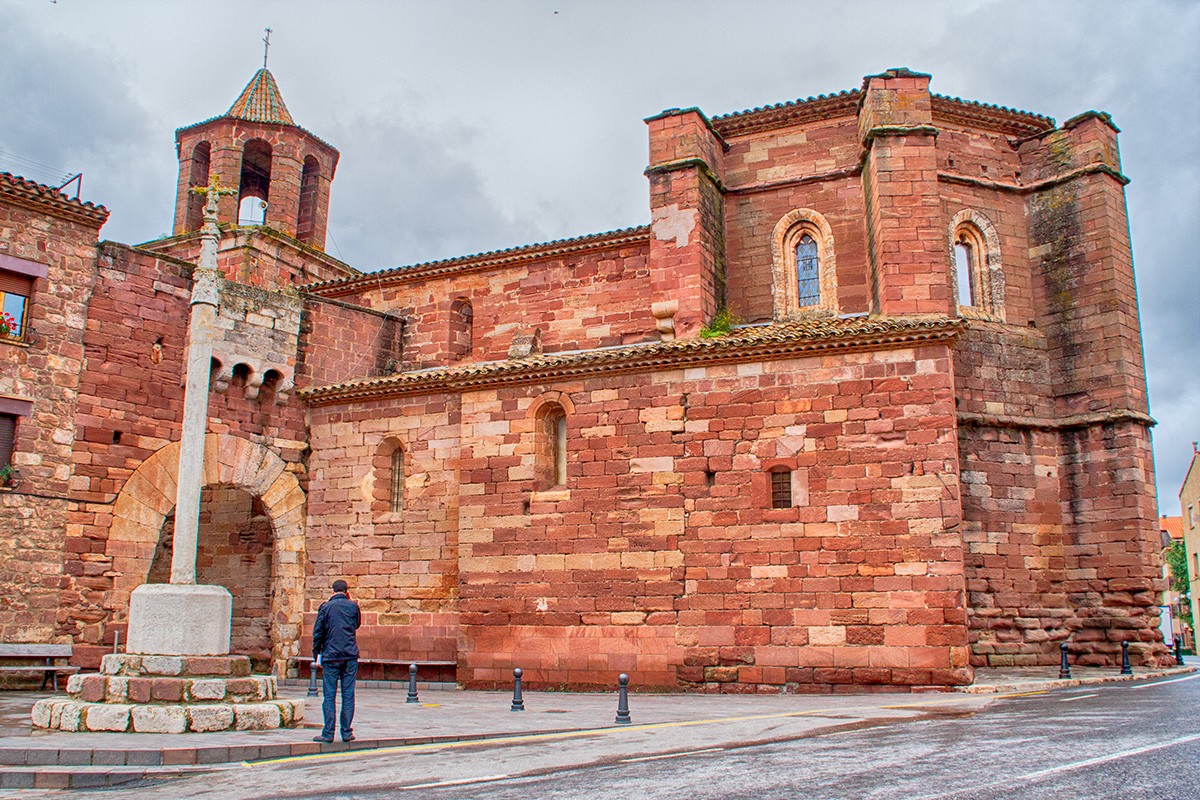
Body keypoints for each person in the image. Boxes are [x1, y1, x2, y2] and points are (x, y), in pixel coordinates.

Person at [311, 578, 361, 743]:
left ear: (332, 591)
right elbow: (356, 625)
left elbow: (318, 633)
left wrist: (316, 653)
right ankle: (346, 732)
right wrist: (350, 600)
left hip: (331, 656)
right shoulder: (353, 606)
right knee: (348, 694)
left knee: (329, 695)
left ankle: (328, 732)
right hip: (350, 655)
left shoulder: (325, 607)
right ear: (347, 592)